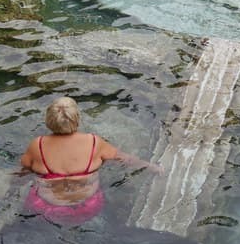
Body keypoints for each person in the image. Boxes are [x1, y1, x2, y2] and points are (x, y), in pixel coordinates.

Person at [19, 96, 159, 225]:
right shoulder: (93, 142)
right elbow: (125, 159)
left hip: (46, 208)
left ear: (48, 120)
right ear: (77, 118)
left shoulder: (38, 145)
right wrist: (150, 166)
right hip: (87, 207)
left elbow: (24, 170)